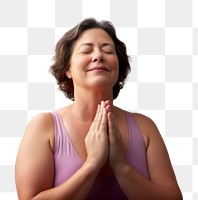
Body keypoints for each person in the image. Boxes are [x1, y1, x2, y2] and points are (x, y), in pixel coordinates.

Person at [15, 18, 183, 200]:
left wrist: (121, 166)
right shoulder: (44, 126)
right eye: (87, 50)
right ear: (68, 69)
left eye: (108, 50)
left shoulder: (145, 126)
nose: (98, 56)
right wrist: (92, 164)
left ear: (118, 66)